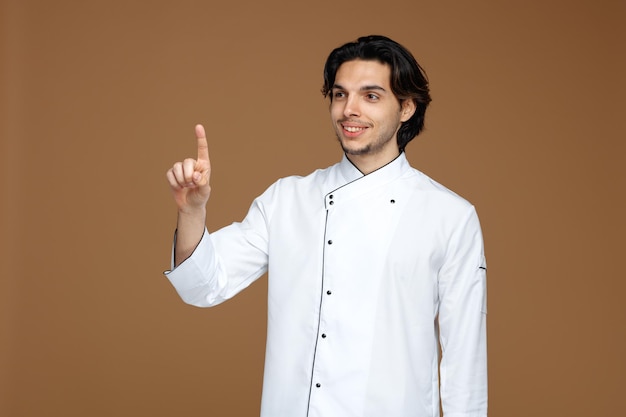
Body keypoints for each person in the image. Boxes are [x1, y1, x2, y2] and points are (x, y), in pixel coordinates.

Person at [164, 35, 487, 417]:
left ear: (406, 108)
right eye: (339, 94)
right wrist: (192, 212)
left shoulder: (450, 216)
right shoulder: (287, 200)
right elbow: (203, 287)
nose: (349, 109)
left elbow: (464, 362)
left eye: (370, 96)